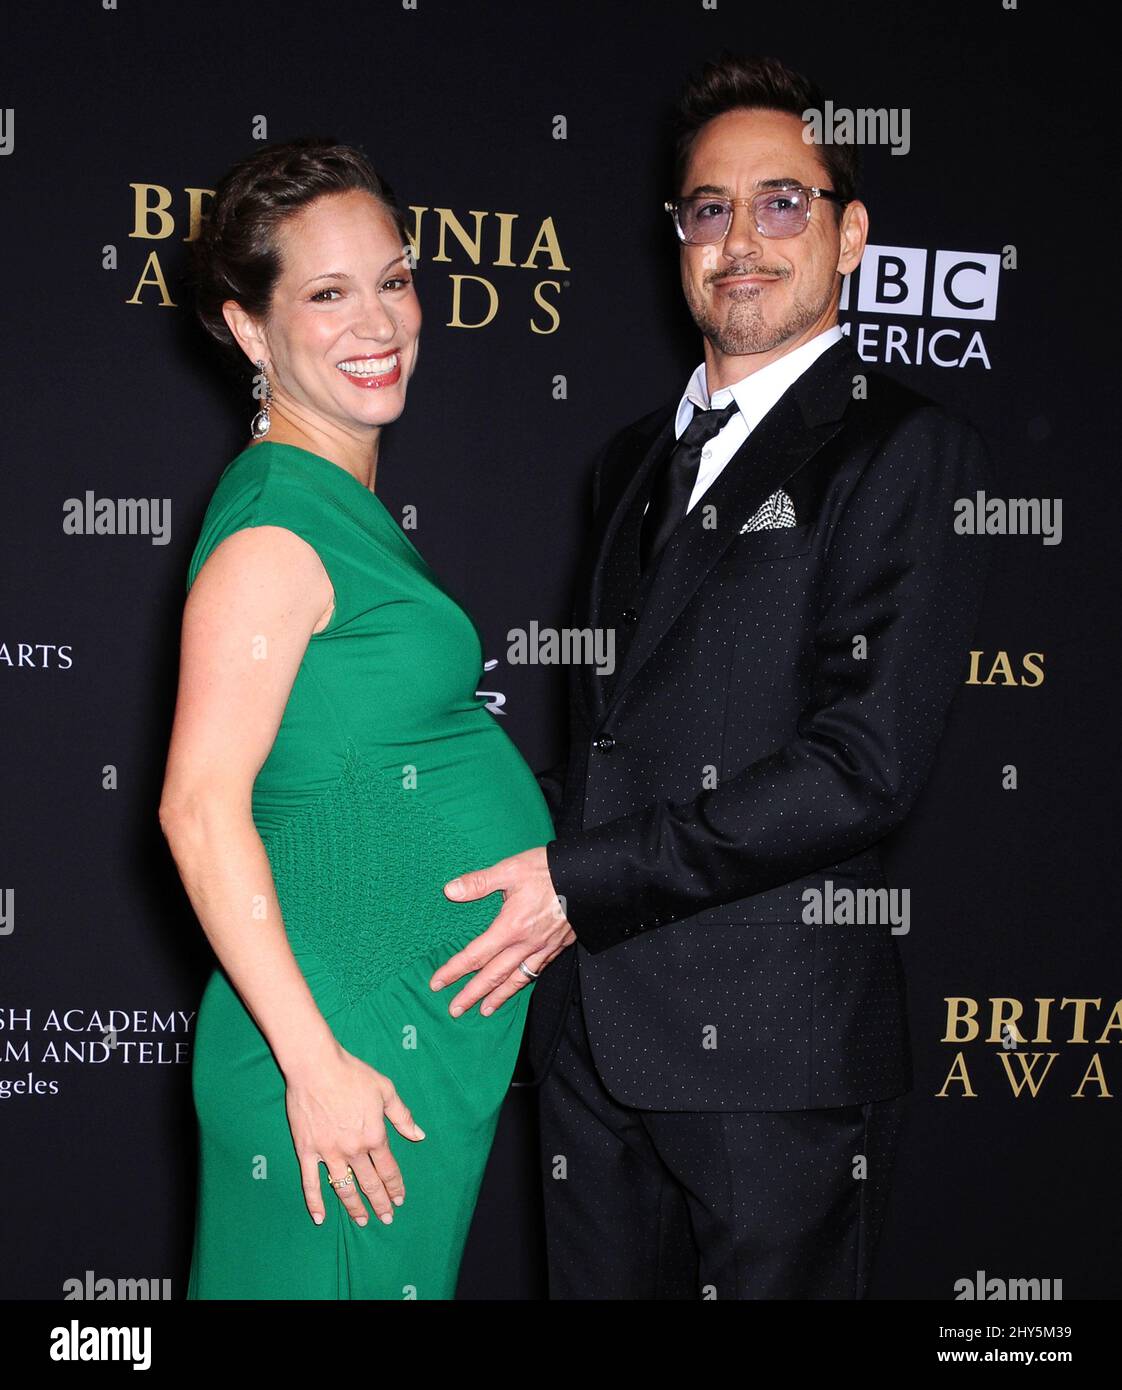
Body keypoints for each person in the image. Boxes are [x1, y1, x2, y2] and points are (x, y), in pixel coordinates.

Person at [432, 55, 992, 1298]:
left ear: (851, 234)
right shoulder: (630, 458)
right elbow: (618, 743)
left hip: (775, 1062)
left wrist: (580, 879)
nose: (741, 239)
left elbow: (862, 769)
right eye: (709, 208)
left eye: (782, 202)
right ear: (676, 237)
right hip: (590, 1041)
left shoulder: (907, 451)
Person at [159, 138, 555, 1299]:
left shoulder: (334, 505)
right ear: (250, 329)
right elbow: (198, 808)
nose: (378, 323)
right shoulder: (276, 528)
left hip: (393, 1041)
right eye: (327, 294)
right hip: (339, 1054)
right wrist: (315, 1065)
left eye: (393, 280)